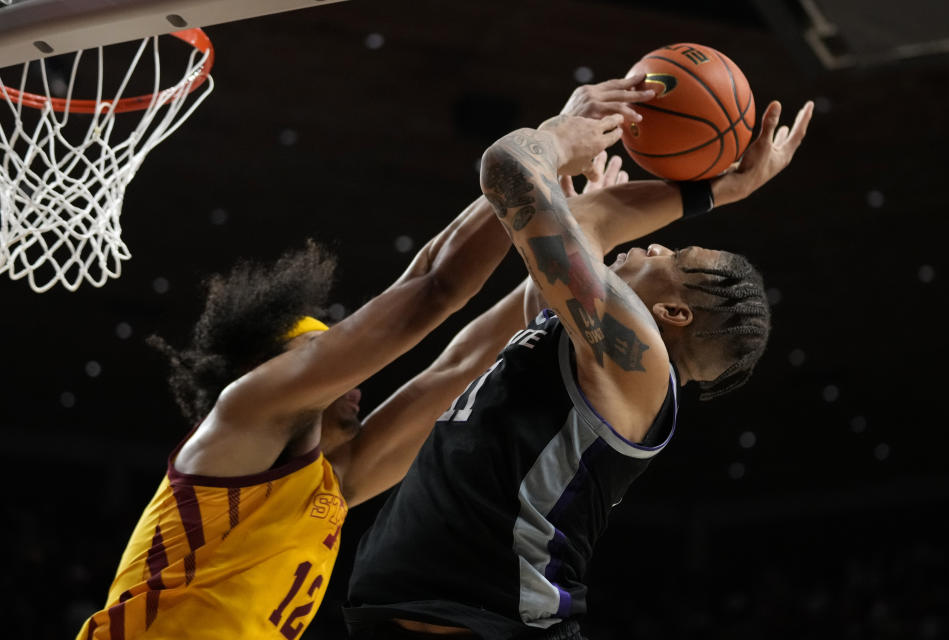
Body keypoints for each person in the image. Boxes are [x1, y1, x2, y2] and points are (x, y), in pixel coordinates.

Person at [74, 77, 664, 639]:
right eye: (319, 356)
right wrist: (545, 146)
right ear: (270, 374)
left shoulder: (328, 486)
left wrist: (576, 243)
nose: (349, 371)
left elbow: (458, 370)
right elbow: (433, 284)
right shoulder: (240, 421)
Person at [343, 99, 814, 639]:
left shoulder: (639, 361)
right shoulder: (589, 347)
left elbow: (508, 170)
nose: (658, 243)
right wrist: (712, 190)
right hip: (436, 617)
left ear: (673, 314)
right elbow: (586, 225)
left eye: (675, 256)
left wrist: (558, 142)